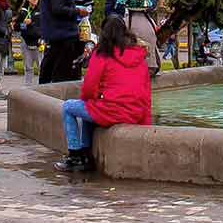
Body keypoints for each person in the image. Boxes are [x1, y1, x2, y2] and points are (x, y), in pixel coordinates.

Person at [55, 15, 153, 174]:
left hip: (112, 111)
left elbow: (89, 87)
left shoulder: (102, 53)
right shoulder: (139, 56)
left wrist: (91, 100)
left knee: (68, 107)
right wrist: (145, 123)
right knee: (90, 108)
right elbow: (146, 93)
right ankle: (87, 155)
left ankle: (75, 157)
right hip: (135, 113)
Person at [36, 0, 89, 84]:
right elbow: (58, 8)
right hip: (62, 35)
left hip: (55, 35)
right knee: (62, 77)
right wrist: (78, 11)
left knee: (48, 71)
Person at [15, 0, 42, 87]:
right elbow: (16, 27)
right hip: (26, 42)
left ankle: (42, 87)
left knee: (41, 66)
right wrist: (24, 25)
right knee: (28, 66)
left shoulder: (42, 11)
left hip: (39, 42)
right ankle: (28, 87)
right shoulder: (23, 11)